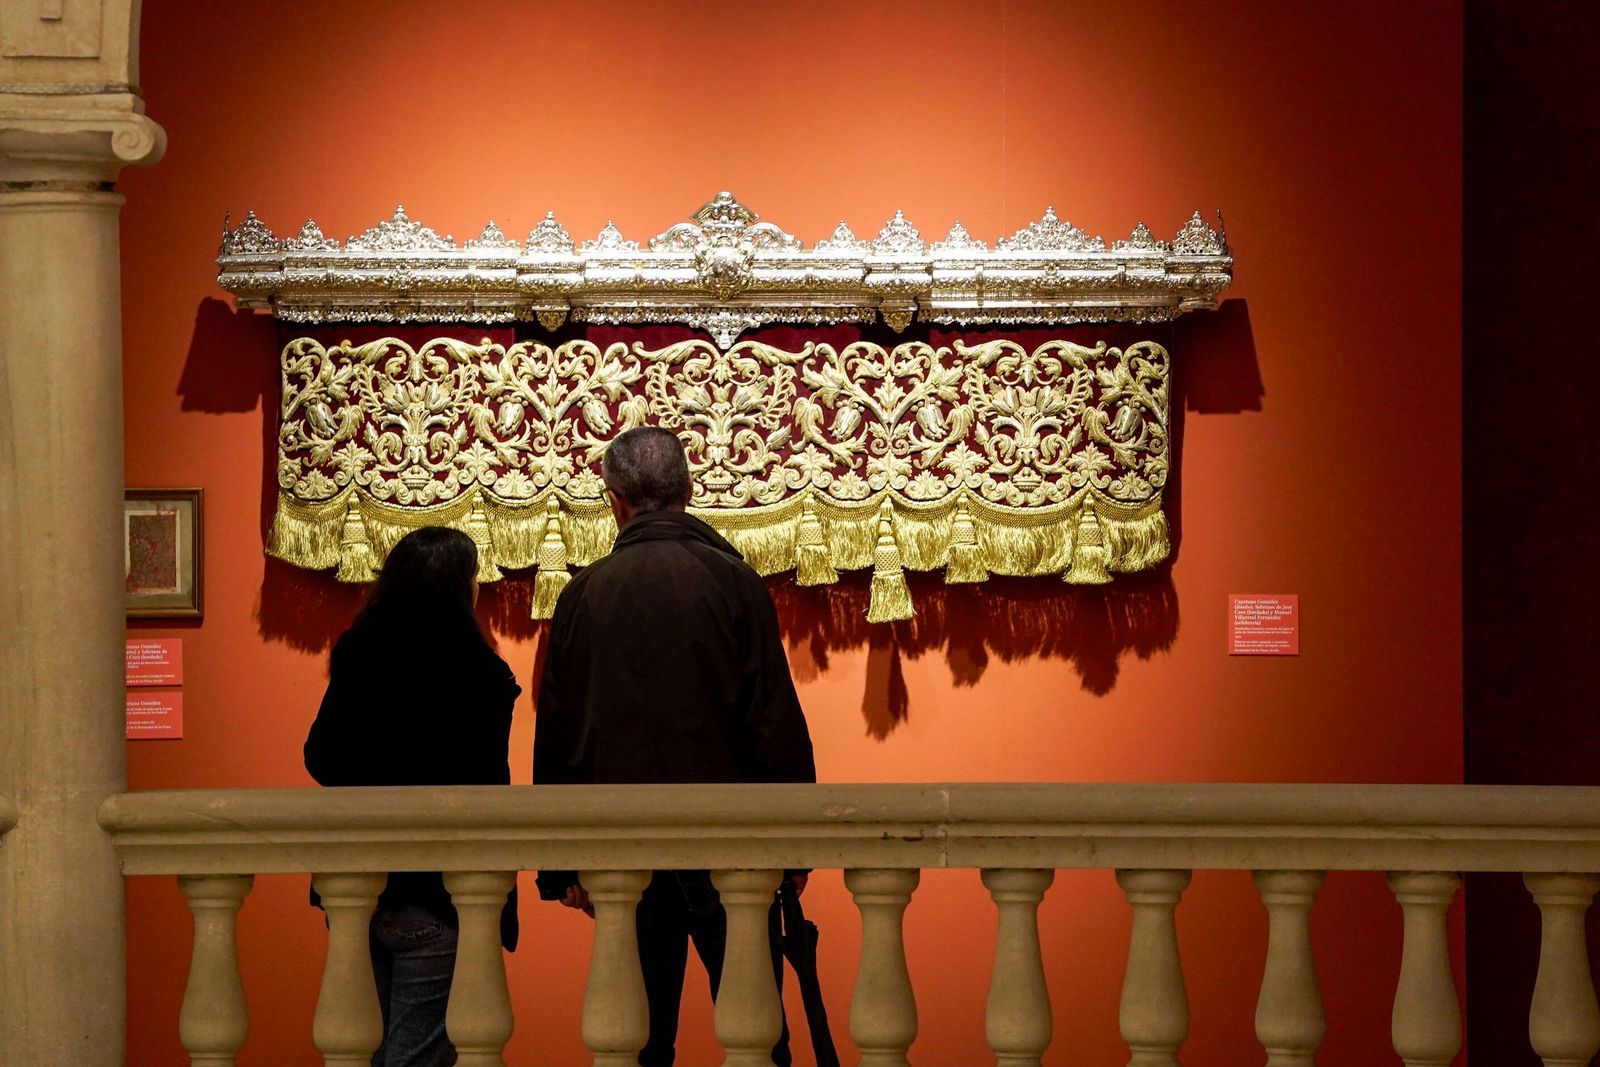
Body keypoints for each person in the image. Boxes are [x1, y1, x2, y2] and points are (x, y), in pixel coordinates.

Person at [533, 426, 816, 1067]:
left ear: (615, 500)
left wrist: (560, 863)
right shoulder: (733, 582)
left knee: (634, 1040)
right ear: (689, 490)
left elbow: (558, 727)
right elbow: (771, 720)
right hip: (733, 848)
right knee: (756, 1034)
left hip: (621, 846)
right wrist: (797, 846)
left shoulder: (583, 594)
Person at [305, 525, 520, 1067]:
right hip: (442, 892)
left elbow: (321, 757)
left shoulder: (360, 651)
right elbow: (488, 788)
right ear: (460, 588)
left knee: (361, 1052)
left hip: (360, 883)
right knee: (418, 1059)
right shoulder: (482, 674)